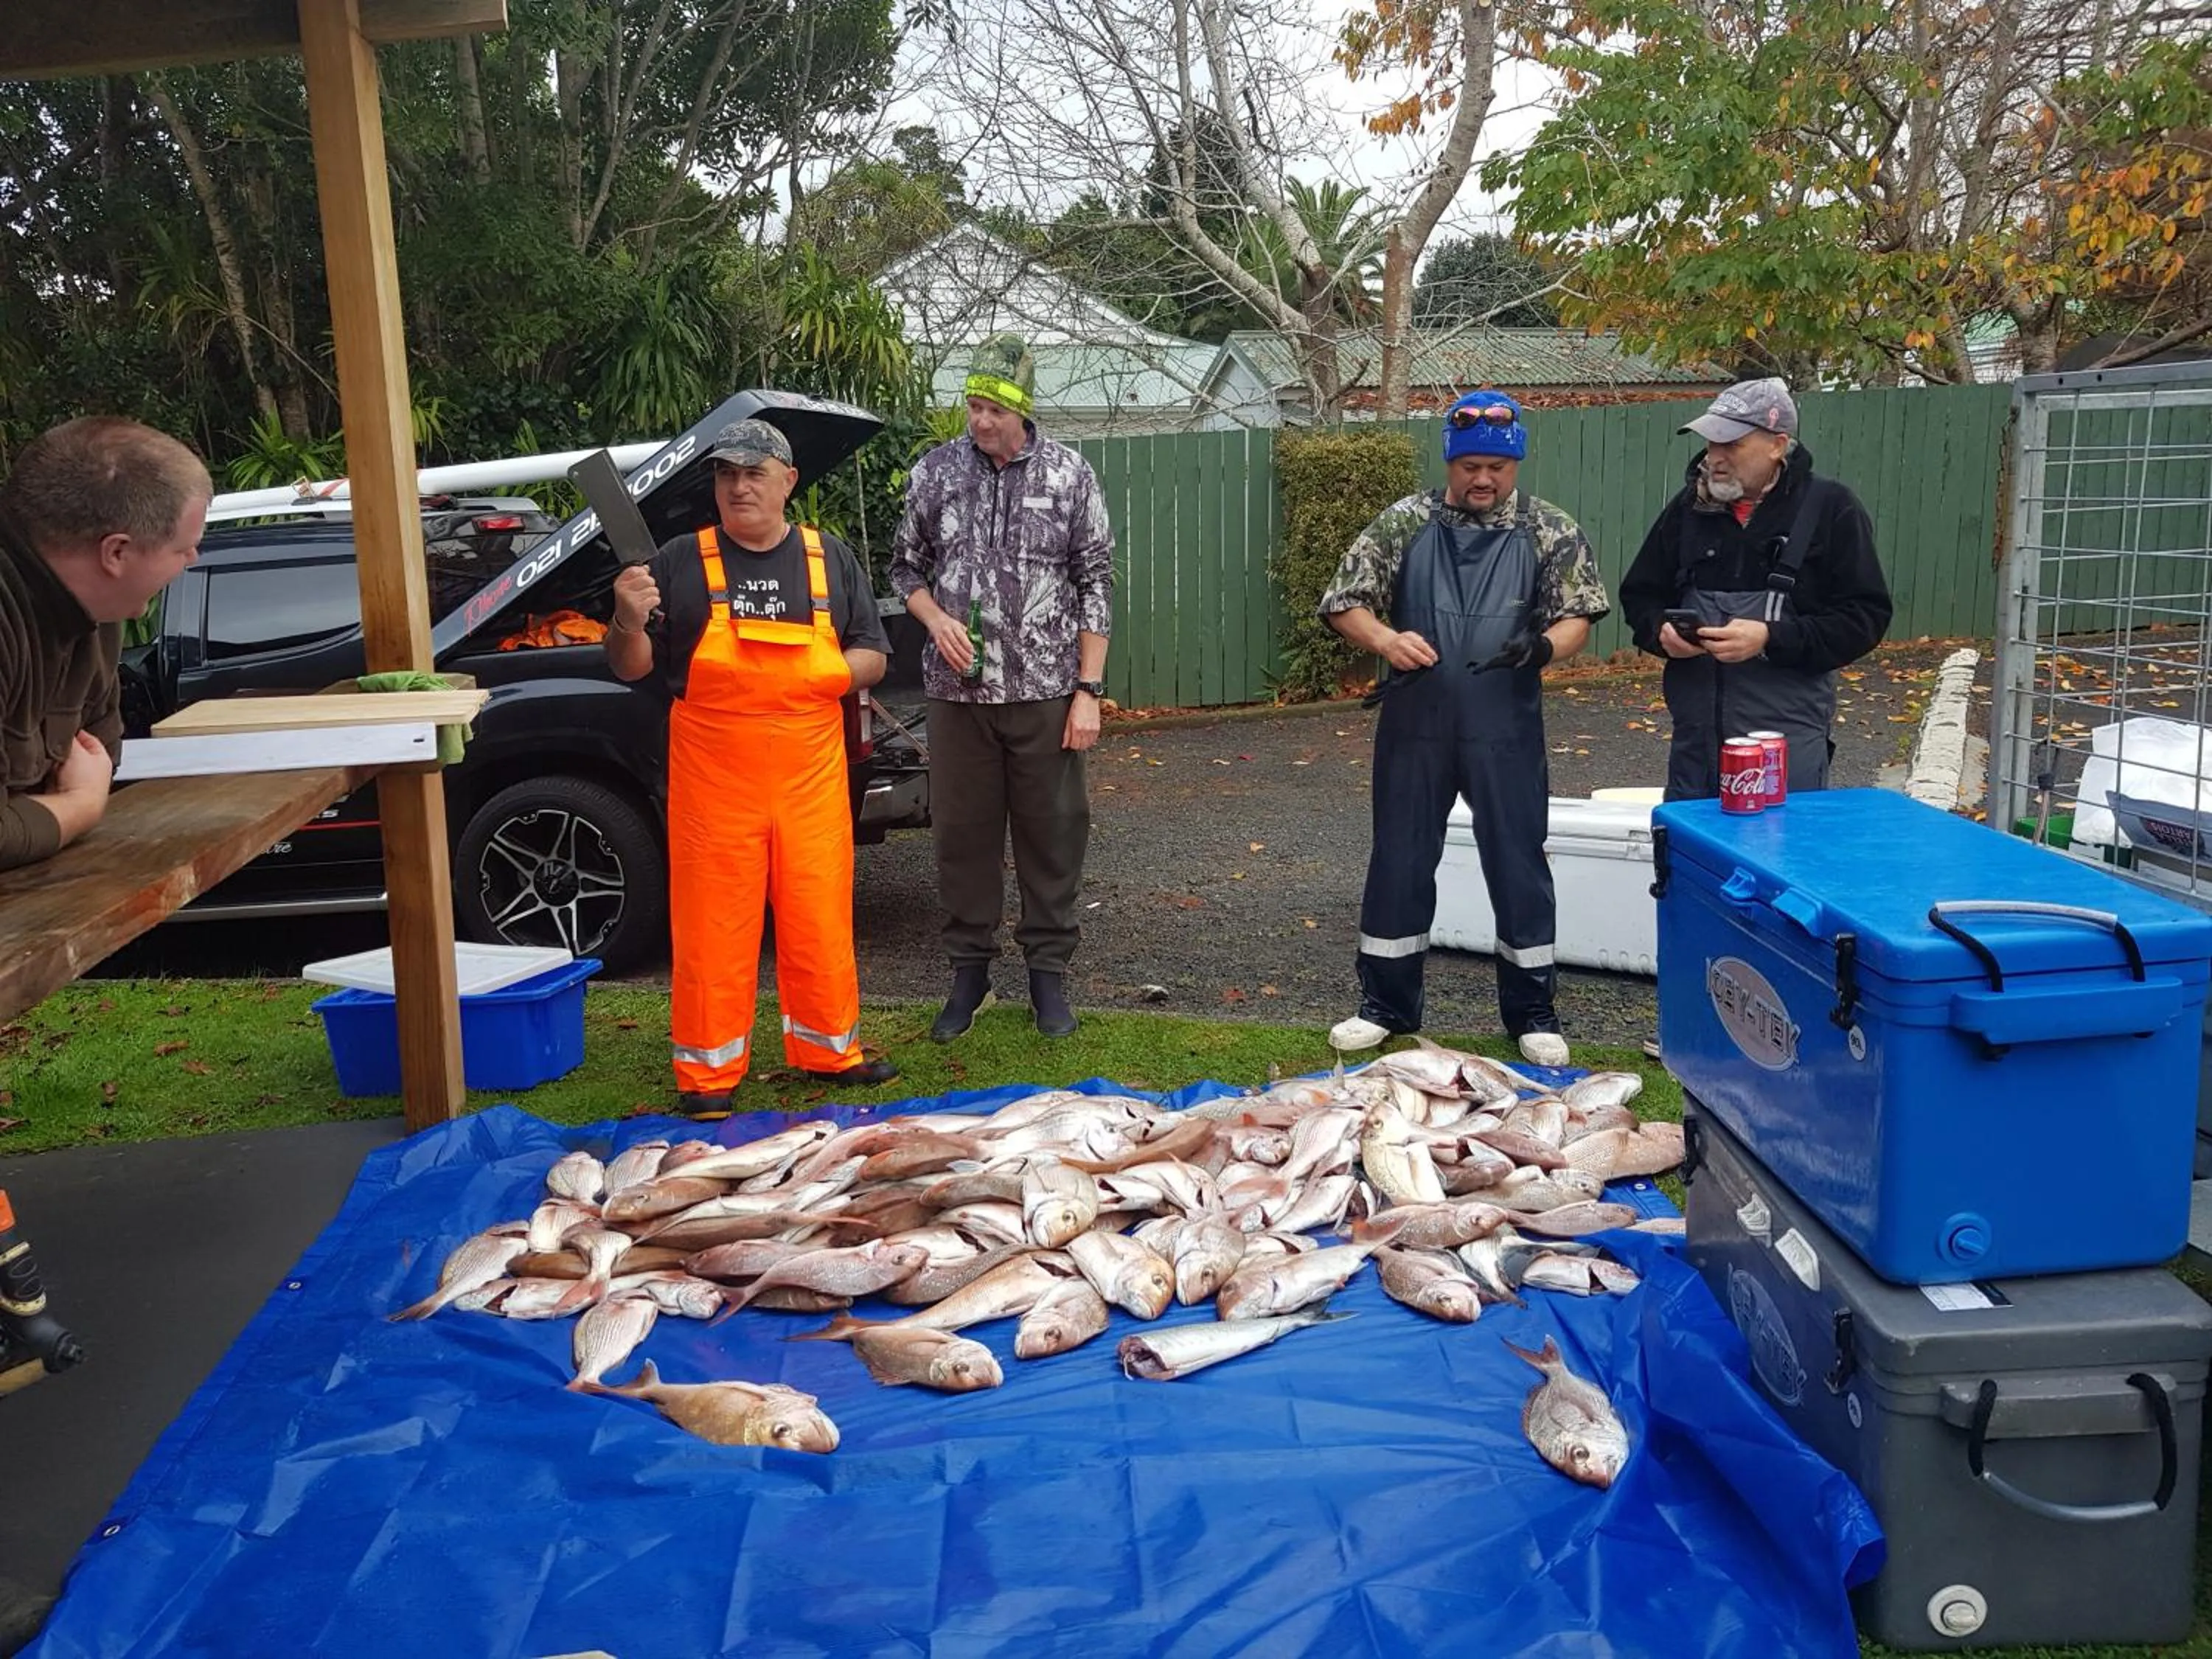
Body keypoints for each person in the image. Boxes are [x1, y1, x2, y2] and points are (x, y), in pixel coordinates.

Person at [607, 418, 897, 1116]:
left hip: (810, 768)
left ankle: (830, 1051)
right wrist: (627, 619)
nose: (739, 487)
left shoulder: (831, 559)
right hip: (715, 773)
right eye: (726, 474)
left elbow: (875, 656)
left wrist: (817, 678)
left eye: (755, 473)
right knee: (714, 921)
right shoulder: (675, 561)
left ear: (788, 482)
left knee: (819, 910)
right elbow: (632, 668)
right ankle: (708, 1077)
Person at [1319, 390, 1610, 1069]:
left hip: (1504, 727)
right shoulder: (1404, 522)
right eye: (1470, 465)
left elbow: (1578, 616)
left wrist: (1542, 650)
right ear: (1450, 461)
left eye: (1497, 468)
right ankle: (1384, 1006)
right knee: (1399, 859)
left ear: (1516, 466)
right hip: (1414, 723)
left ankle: (1533, 1013)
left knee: (1517, 861)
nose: (1483, 479)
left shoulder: (1549, 529)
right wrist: (1387, 641)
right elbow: (1344, 602)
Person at [890, 335, 1115, 1042]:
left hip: (1048, 691)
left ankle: (1048, 979)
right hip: (957, 696)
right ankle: (970, 979)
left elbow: (1096, 581)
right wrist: (934, 619)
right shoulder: (935, 473)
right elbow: (905, 568)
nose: (979, 420)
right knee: (963, 837)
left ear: (1022, 409)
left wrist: (1089, 689)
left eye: (993, 407)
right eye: (972, 405)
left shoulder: (1070, 475)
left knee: (1053, 836)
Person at [1620, 377, 1893, 799]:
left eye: (1731, 445)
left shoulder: (1830, 508)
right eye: (1712, 444)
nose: (1715, 458)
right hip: (1696, 743)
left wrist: (1771, 637)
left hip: (1782, 748)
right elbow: (1640, 594)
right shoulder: (1687, 509)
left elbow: (1865, 617)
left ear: (1777, 445)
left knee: (1780, 854)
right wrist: (1661, 633)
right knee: (1693, 857)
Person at [1, 417, 212, 872]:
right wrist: (80, 804)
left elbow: (103, 748)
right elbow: (89, 781)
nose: (193, 560)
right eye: (183, 548)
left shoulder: (96, 609)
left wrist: (39, 817)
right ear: (116, 552)